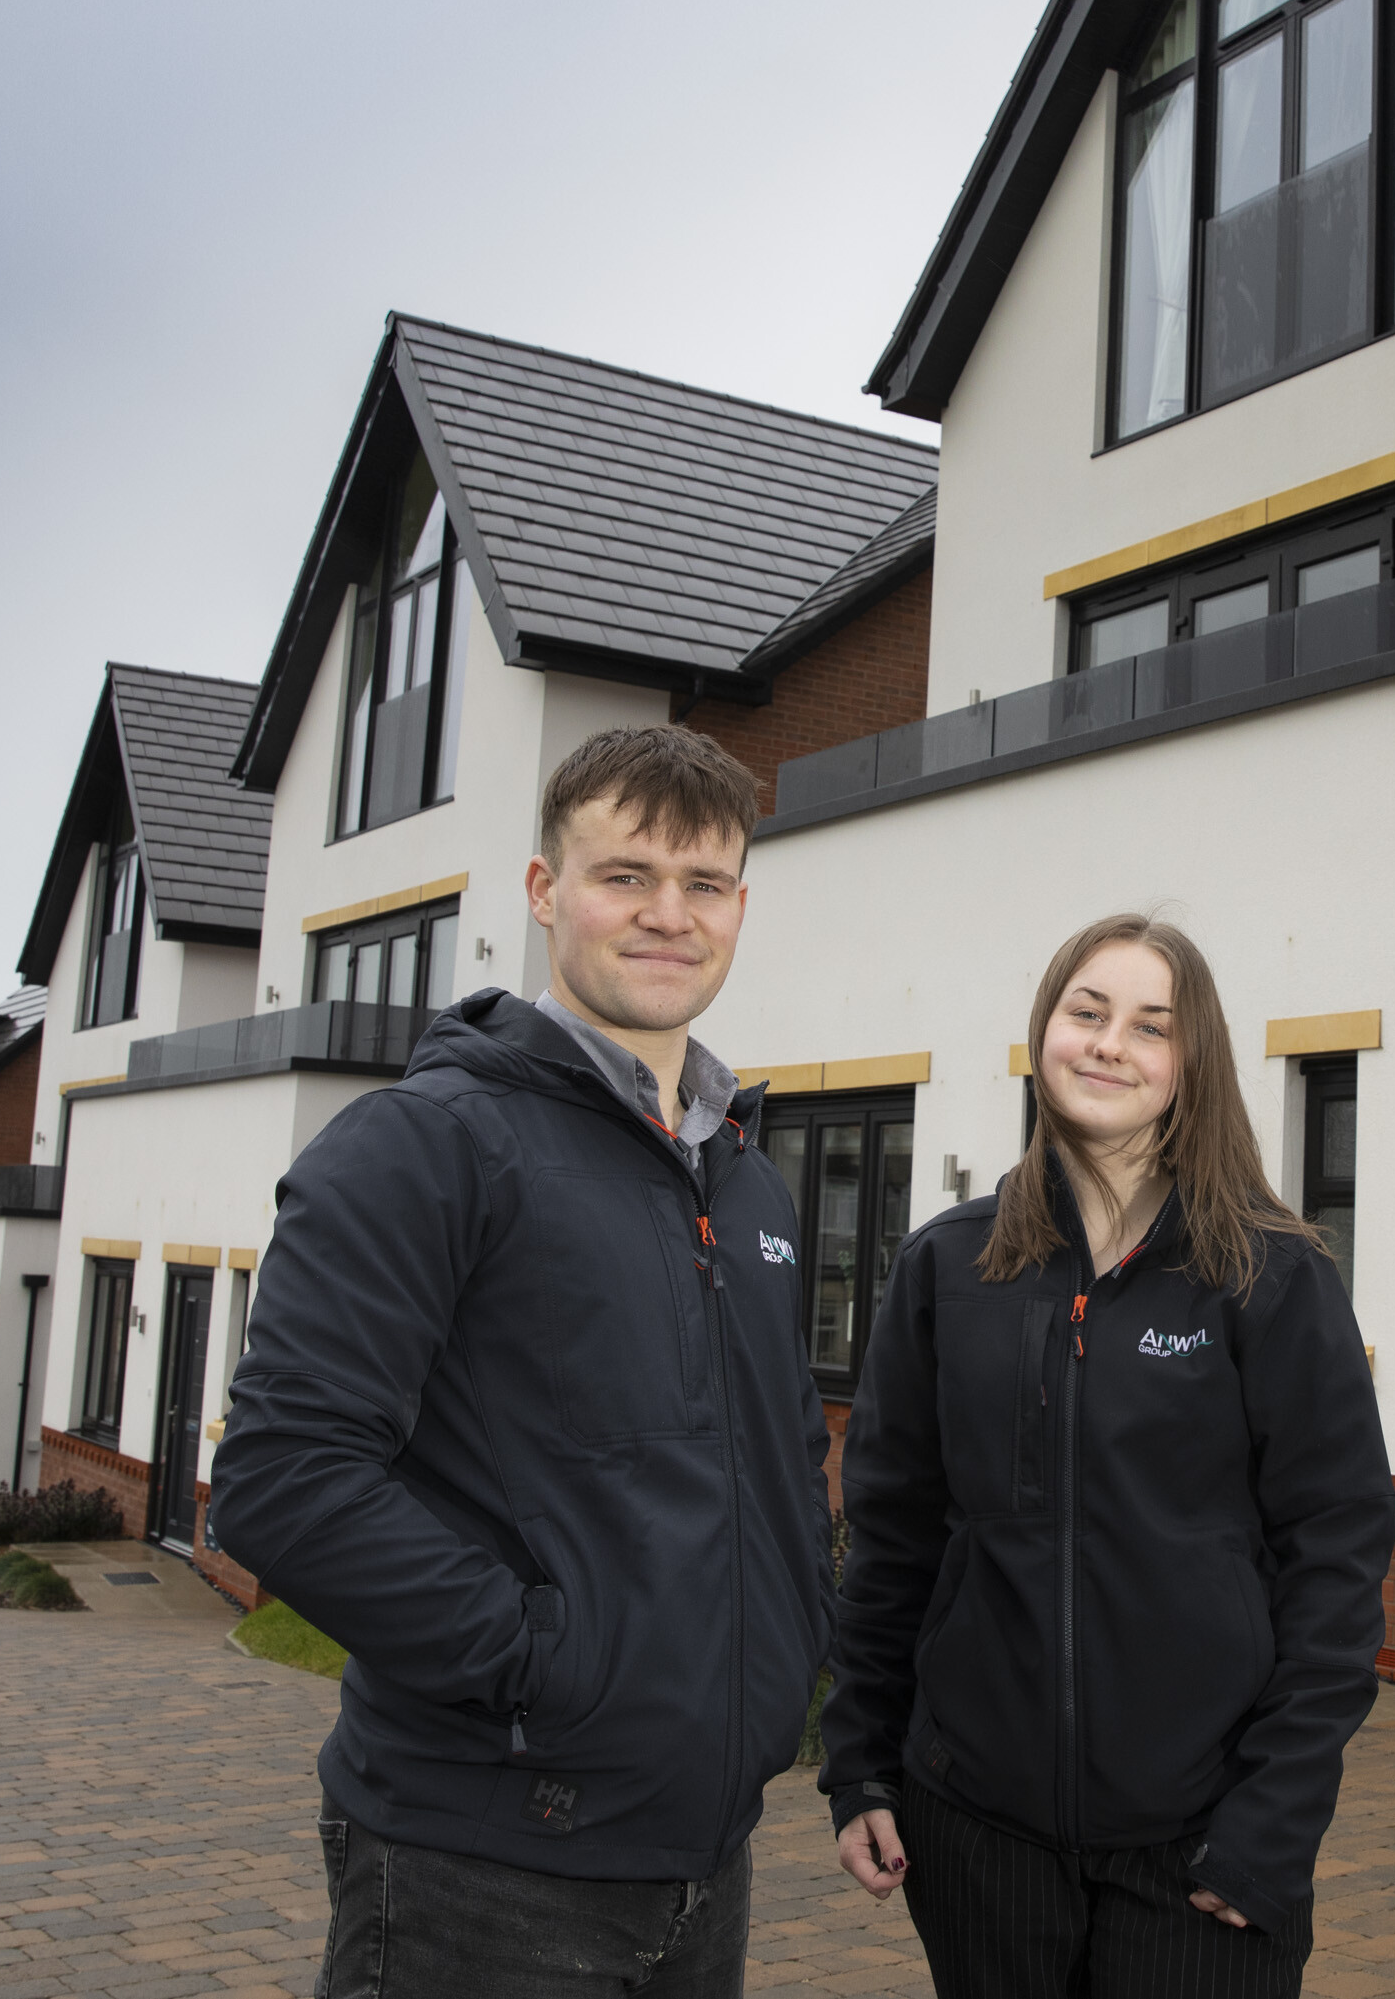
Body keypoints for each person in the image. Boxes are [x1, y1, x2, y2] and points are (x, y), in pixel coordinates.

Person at [213, 725, 828, 1999]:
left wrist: (791, 1643)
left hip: (704, 1856)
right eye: (625, 876)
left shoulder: (748, 1180)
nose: (669, 914)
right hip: (483, 1867)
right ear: (545, 892)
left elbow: (770, 1466)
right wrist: (551, 1667)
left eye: (703, 883)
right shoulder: (422, 1145)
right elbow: (285, 1479)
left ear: (742, 906)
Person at [823, 913, 1395, 1996]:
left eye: (1150, 1024)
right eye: (1086, 1011)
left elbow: (1336, 1561)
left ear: (1191, 1063)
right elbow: (892, 1537)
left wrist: (1271, 1820)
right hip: (979, 1830)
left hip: (1199, 1843)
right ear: (1043, 1030)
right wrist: (859, 1762)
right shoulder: (949, 1266)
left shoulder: (1268, 1274)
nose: (1108, 1043)